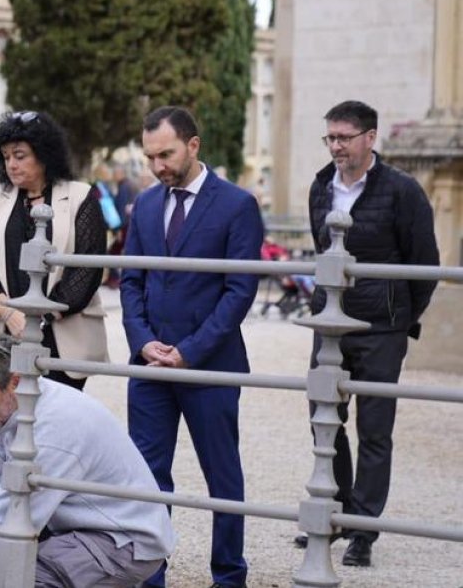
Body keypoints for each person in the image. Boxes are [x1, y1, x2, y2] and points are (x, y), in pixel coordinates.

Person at [119, 106, 263, 588]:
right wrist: (142, 343)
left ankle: (228, 576)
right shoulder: (144, 205)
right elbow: (130, 282)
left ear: (193, 146)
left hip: (210, 366)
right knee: (147, 478)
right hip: (150, 368)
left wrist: (190, 350)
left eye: (166, 154)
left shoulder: (237, 205)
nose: (157, 165)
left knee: (223, 479)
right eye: (150, 156)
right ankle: (149, 576)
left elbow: (239, 292)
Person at [0, 334, 175, 588]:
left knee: (23, 574)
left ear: (14, 382)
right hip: (80, 519)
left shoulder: (50, 430)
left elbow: (6, 520)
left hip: (125, 537)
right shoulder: (10, 408)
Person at [297, 100, 439, 567]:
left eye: (344, 137)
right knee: (324, 421)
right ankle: (333, 516)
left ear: (370, 137)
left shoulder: (403, 191)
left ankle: (364, 530)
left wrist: (398, 316)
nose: (336, 146)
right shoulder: (321, 186)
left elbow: (425, 266)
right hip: (330, 324)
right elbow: (322, 253)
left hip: (382, 328)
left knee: (375, 432)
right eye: (330, 137)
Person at [0, 110, 108, 391]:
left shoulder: (81, 196)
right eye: (6, 157)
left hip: (61, 336)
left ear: (44, 155)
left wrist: (39, 318)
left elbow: (87, 269)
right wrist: (9, 313)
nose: (11, 164)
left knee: (56, 423)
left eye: (20, 155)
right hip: (3, 332)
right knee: (5, 422)